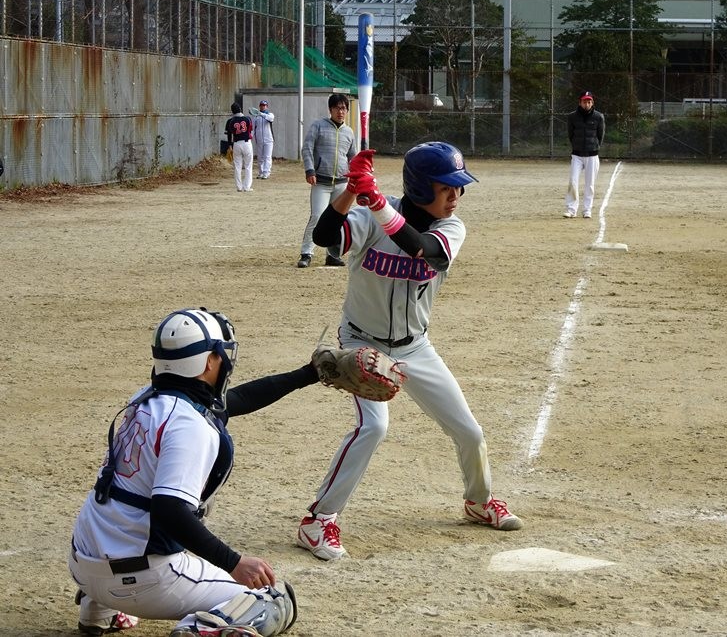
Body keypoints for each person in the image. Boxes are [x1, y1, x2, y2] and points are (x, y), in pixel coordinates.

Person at [295, 142, 523, 561]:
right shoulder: (369, 217)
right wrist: (351, 191)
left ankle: (478, 502)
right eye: (446, 187)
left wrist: (376, 201)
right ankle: (318, 520)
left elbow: (423, 249)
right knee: (373, 427)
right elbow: (325, 237)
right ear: (420, 188)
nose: (455, 196)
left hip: (416, 347)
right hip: (362, 342)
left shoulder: (451, 228)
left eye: (458, 187)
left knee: (470, 432)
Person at [69, 308, 316, 636]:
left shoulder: (146, 399)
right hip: (142, 581)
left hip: (83, 564)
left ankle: (98, 611)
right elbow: (169, 510)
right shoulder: (189, 425)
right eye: (220, 353)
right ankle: (196, 630)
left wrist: (309, 374)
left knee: (125, 503)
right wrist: (234, 562)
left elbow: (237, 399)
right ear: (208, 362)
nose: (225, 360)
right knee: (270, 600)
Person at [297, 93, 357, 268]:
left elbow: (352, 157)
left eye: (344, 108)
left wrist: (357, 174)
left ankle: (333, 254)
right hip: (321, 182)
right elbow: (307, 148)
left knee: (338, 220)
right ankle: (306, 253)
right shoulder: (318, 126)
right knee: (317, 216)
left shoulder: (349, 132)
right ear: (330, 109)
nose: (341, 111)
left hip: (342, 183)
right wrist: (310, 170)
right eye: (337, 108)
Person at [564, 90, 605, 219]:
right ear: (580, 102)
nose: (586, 104)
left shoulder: (599, 117)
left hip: (592, 155)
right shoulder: (572, 117)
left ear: (592, 103)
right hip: (577, 155)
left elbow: (600, 135)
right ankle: (571, 210)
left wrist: (594, 147)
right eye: (584, 101)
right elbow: (570, 134)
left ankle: (587, 210)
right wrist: (576, 146)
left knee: (590, 184)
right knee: (573, 181)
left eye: (589, 101)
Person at [225, 103, 254, 192]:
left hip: (236, 144)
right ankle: (246, 187)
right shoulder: (247, 118)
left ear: (232, 111)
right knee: (248, 166)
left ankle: (239, 187)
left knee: (237, 166)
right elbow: (250, 131)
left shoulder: (230, 121)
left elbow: (229, 134)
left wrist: (230, 145)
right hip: (246, 143)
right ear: (240, 109)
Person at [249, 100, 275, 180]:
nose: (263, 107)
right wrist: (250, 137)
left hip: (269, 139)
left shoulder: (270, 114)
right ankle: (261, 172)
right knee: (260, 157)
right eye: (261, 105)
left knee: (267, 156)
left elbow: (271, 119)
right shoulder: (256, 117)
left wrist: (261, 114)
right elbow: (253, 128)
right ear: (259, 106)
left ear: (267, 106)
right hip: (259, 139)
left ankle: (266, 173)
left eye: (264, 105)